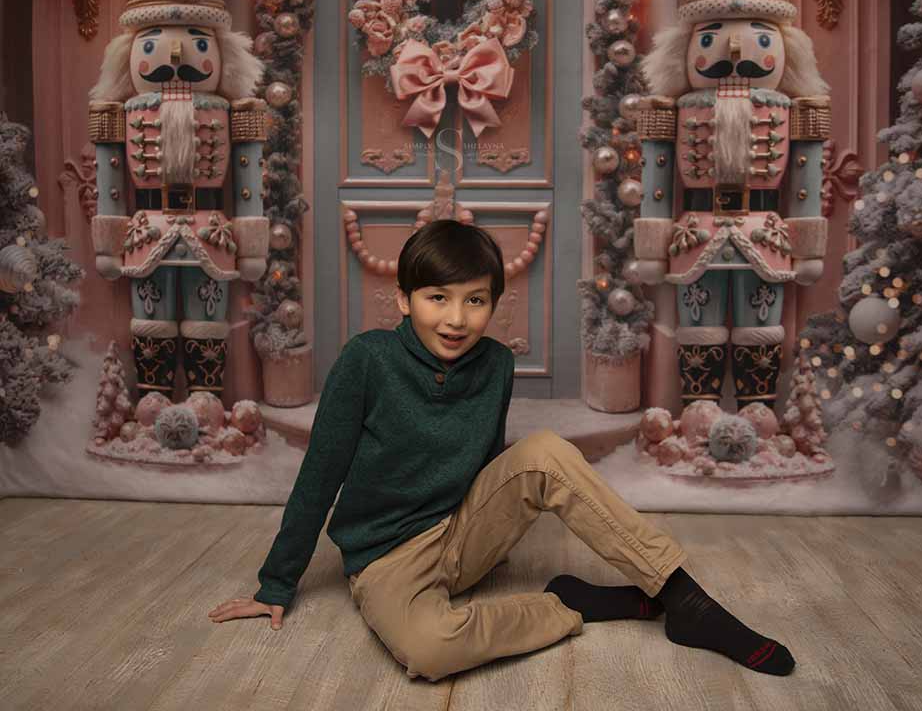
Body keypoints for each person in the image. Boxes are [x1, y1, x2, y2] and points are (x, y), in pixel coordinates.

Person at [208, 220, 795, 681]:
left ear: (493, 304)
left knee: (544, 449)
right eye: (437, 298)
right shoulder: (367, 360)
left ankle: (684, 599)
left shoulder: (495, 363)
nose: (456, 319)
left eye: (475, 301)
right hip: (387, 558)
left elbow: (486, 459)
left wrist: (489, 539)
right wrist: (276, 584)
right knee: (429, 650)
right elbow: (319, 475)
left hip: (463, 534)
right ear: (404, 300)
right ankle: (569, 606)